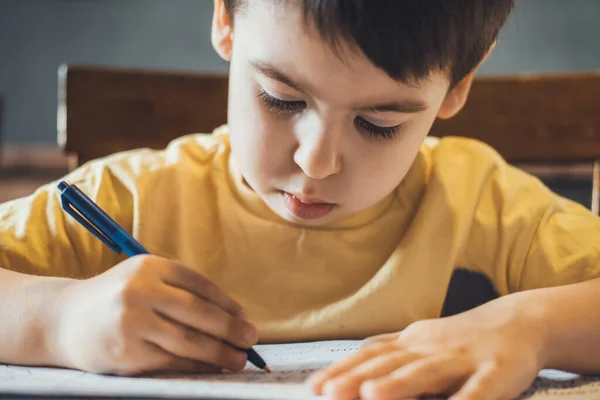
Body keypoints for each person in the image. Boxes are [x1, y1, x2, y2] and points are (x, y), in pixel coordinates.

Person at [2, 1, 600, 399]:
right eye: (282, 100)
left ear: (459, 84)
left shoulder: (483, 204)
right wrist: (59, 319)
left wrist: (531, 327)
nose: (317, 163)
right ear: (226, 22)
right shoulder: (127, 198)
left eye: (378, 124)